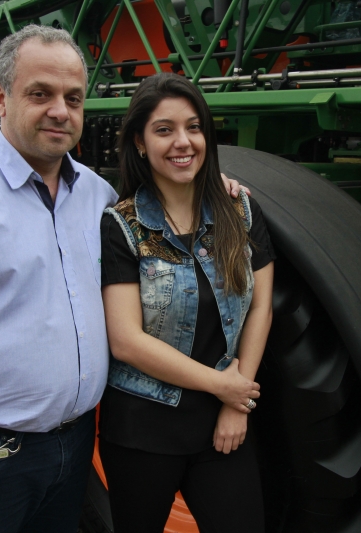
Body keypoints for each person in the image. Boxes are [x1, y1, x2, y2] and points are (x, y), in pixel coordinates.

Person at [0, 25, 246, 533]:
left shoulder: (97, 198)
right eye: (40, 94)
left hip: (75, 446)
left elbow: (168, 200)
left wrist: (213, 186)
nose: (60, 110)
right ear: (0, 98)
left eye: (73, 98)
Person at [98, 73, 275, 533]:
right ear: (139, 142)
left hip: (223, 423)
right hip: (143, 428)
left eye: (194, 127)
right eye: (164, 130)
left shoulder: (240, 211)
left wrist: (237, 404)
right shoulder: (122, 226)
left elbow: (260, 307)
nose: (183, 142)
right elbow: (126, 341)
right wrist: (225, 387)